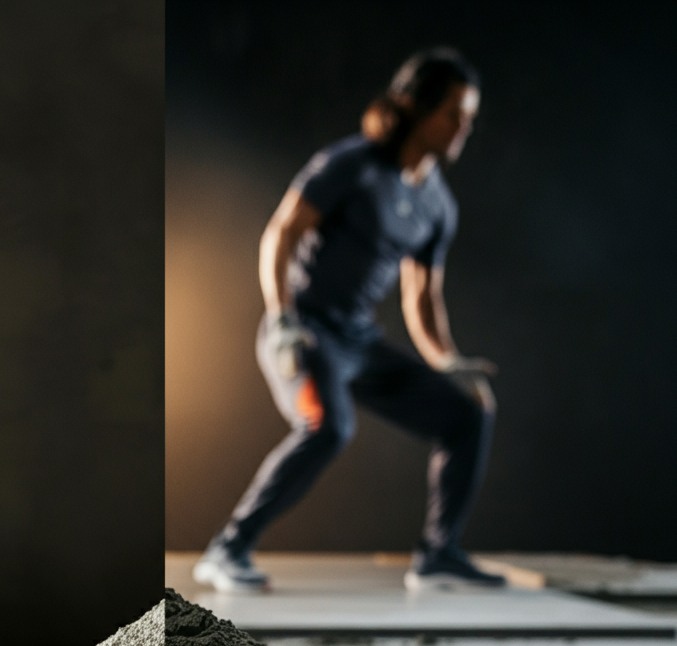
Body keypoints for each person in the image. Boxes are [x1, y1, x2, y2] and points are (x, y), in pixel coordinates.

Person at [194, 48, 506, 594]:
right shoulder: (352, 164)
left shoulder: (438, 205)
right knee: (329, 426)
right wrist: (282, 317)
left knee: (470, 412)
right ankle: (228, 549)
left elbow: (422, 298)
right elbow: (281, 234)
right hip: (305, 332)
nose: (463, 128)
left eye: (469, 118)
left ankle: (438, 556)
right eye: (453, 113)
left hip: (359, 342)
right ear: (414, 106)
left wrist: (447, 361)